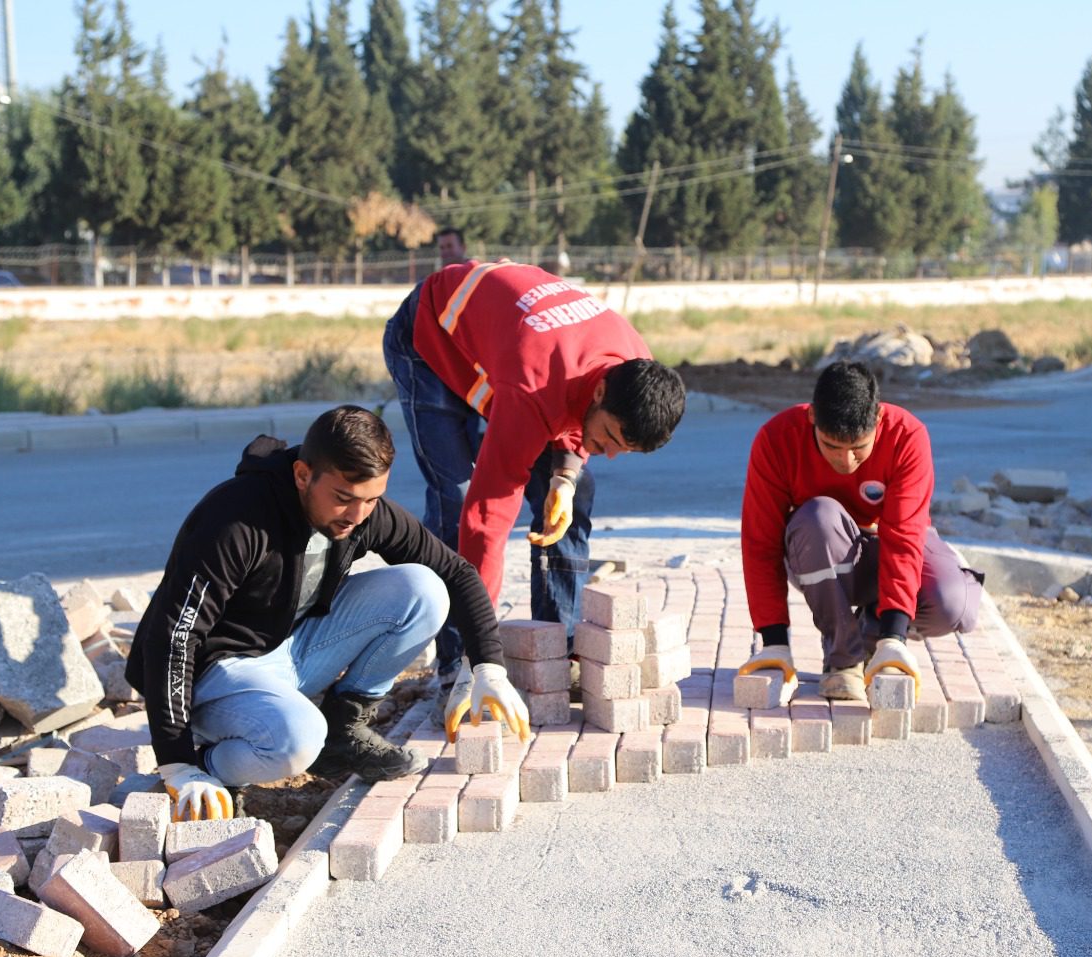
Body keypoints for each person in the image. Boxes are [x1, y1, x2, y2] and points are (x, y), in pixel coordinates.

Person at [127, 405, 529, 821]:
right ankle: (215, 766)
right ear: (303, 475)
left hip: (288, 648)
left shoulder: (361, 514)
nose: (357, 516)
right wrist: (177, 763)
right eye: (343, 499)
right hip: (217, 673)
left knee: (423, 589)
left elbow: (456, 572)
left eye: (371, 500)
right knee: (298, 741)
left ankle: (344, 730)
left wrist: (488, 669)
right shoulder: (236, 520)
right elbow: (174, 636)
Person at [383, 260, 686, 682]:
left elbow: (579, 406)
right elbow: (486, 519)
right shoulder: (534, 387)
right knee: (459, 498)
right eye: (612, 438)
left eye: (625, 449)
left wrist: (565, 476)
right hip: (430, 338)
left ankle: (555, 652)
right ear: (601, 392)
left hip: (511, 349)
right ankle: (457, 666)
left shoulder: (634, 367)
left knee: (574, 496)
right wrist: (482, 660)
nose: (612, 454)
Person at [737, 360, 984, 702]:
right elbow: (759, 543)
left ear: (878, 421)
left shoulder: (906, 435)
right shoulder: (777, 439)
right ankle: (843, 660)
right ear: (812, 420)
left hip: (888, 544)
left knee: (953, 605)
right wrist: (774, 640)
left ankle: (873, 635)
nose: (846, 460)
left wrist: (893, 639)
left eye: (858, 448)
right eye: (832, 446)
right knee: (818, 518)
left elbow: (904, 537)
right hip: (821, 552)